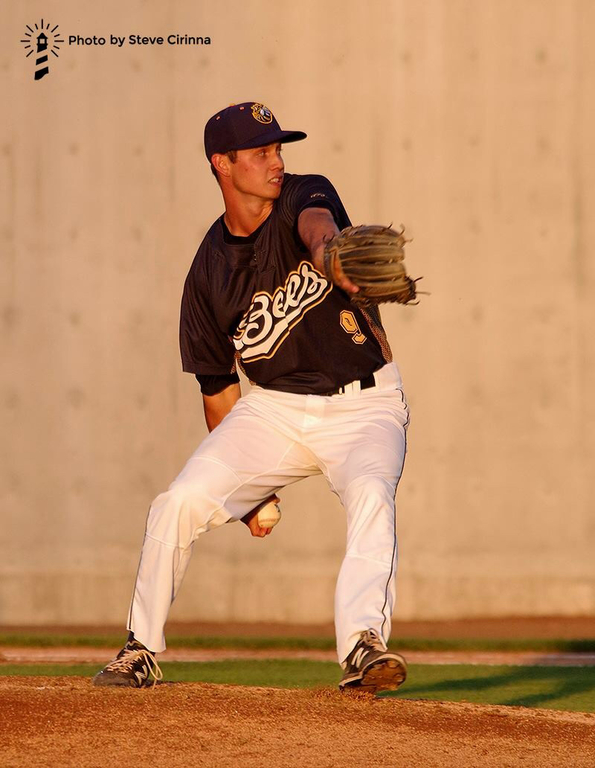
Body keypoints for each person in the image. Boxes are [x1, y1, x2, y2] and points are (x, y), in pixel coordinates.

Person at [93, 101, 409, 693]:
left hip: (365, 406)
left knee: (371, 495)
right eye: (261, 152)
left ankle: (362, 645)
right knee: (178, 501)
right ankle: (139, 649)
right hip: (274, 410)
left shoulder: (302, 193)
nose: (276, 161)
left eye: (277, 149)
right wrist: (249, 496)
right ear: (222, 164)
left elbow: (319, 228)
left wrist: (332, 258)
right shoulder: (207, 277)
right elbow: (218, 391)